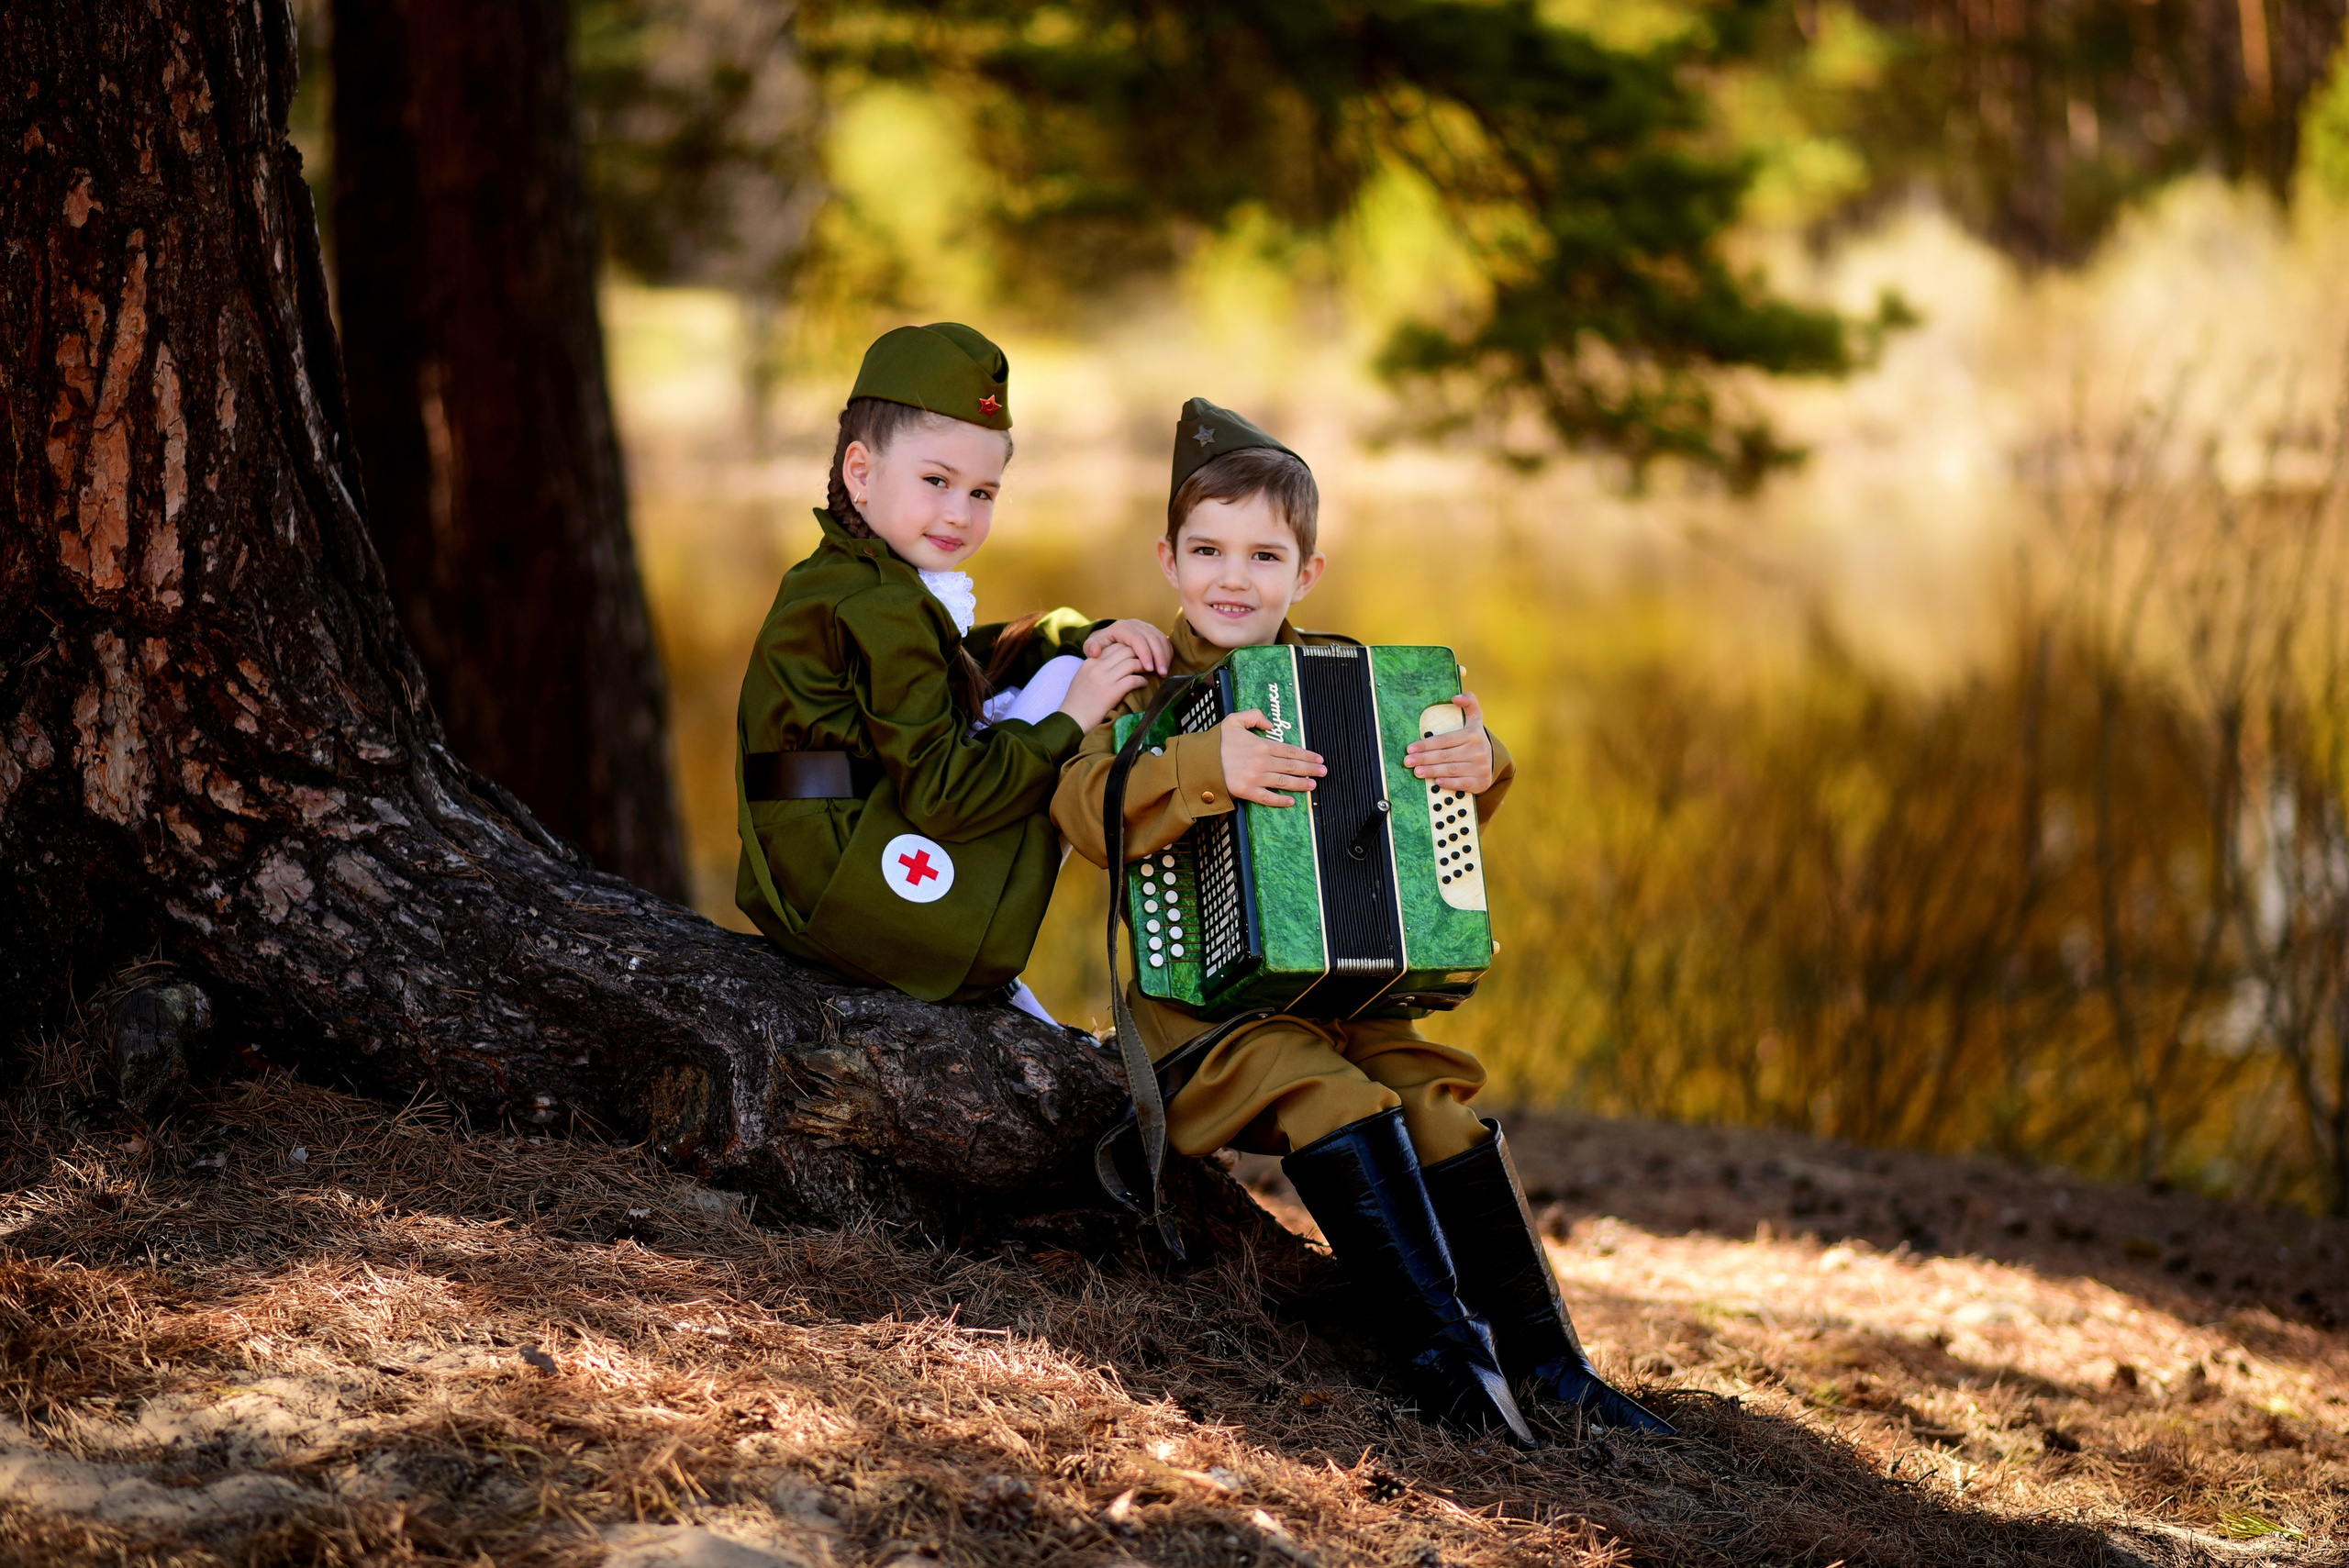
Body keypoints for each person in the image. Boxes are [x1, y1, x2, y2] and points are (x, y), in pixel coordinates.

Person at [1052, 398, 1673, 1445]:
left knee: (1436, 1097)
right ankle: (1446, 1366)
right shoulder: (1138, 693)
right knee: (1325, 1085)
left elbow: (1421, 821)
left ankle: (1548, 1366)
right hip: (1205, 1017)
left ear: (1307, 573)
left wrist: (1481, 766)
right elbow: (1082, 812)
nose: (1232, 579)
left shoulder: (1356, 682)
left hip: (1346, 999)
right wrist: (1206, 764)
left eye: (1262, 554)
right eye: (1206, 550)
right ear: (1167, 558)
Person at [734, 322, 1170, 1018]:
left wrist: (1076, 632)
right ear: (861, 472)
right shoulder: (880, 604)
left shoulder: (845, 575)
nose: (958, 514)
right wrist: (1070, 718)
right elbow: (942, 793)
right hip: (856, 895)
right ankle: (979, 947)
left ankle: (980, 943)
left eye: (982, 493)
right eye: (937, 480)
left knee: (1057, 665)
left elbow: (946, 668)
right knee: (1064, 690)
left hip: (805, 871)